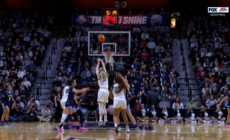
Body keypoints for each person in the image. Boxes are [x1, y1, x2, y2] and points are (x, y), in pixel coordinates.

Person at [96, 58, 109, 127]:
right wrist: (102, 61)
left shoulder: (99, 74)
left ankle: (101, 121)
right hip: (106, 90)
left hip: (101, 90)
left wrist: (98, 63)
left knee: (100, 106)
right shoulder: (106, 74)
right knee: (104, 106)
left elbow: (96, 70)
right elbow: (104, 67)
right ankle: (105, 120)